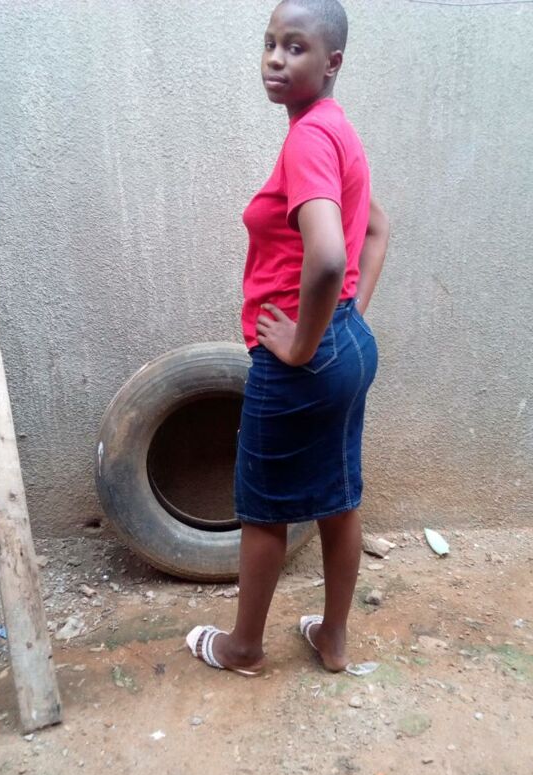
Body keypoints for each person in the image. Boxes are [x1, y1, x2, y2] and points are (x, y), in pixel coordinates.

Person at [187, 0, 390, 675]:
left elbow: (329, 257)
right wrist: (346, 319)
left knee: (265, 510)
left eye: (295, 46)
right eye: (270, 42)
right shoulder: (336, 129)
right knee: (339, 498)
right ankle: (332, 637)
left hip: (303, 362)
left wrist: (304, 343)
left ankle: (243, 647)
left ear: (333, 62)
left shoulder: (307, 140)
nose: (275, 58)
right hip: (349, 348)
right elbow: (376, 230)